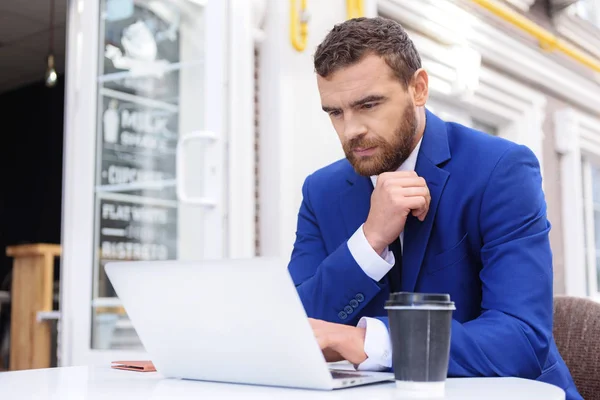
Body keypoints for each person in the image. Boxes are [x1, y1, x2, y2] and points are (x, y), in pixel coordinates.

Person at [287, 17, 582, 400]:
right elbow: (294, 329)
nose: (350, 130)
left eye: (369, 105)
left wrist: (370, 341)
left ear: (418, 88)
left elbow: (521, 339)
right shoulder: (321, 191)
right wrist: (369, 240)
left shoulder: (499, 169)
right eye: (335, 112)